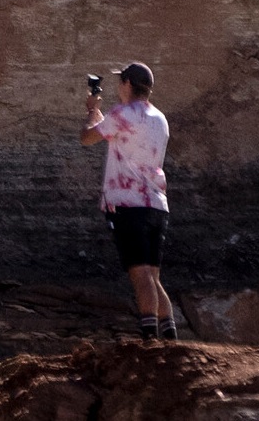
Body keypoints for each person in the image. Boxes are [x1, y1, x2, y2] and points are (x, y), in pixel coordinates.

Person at [82, 61, 176, 339]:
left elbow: (87, 138)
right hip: (157, 204)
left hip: (127, 204)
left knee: (140, 274)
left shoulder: (122, 113)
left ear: (127, 84)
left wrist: (92, 112)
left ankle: (149, 339)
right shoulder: (160, 118)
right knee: (153, 276)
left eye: (120, 82)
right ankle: (169, 339)